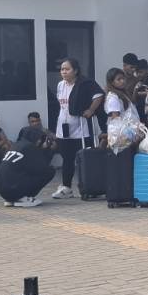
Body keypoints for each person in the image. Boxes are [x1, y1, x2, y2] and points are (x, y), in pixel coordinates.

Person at [50, 58, 104, 200]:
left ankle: (88, 186)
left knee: (83, 159)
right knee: (67, 159)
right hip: (64, 126)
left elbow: (99, 95)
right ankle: (66, 187)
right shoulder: (60, 85)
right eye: (62, 69)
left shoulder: (85, 83)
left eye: (67, 69)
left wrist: (91, 109)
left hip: (81, 128)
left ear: (75, 71)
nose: (64, 72)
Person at [0, 130, 59, 208]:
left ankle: (11, 199)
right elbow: (42, 168)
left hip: (1, 188)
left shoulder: (17, 145)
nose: (40, 141)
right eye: (40, 139)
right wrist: (46, 150)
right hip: (12, 188)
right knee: (50, 171)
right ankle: (23, 198)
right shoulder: (30, 147)